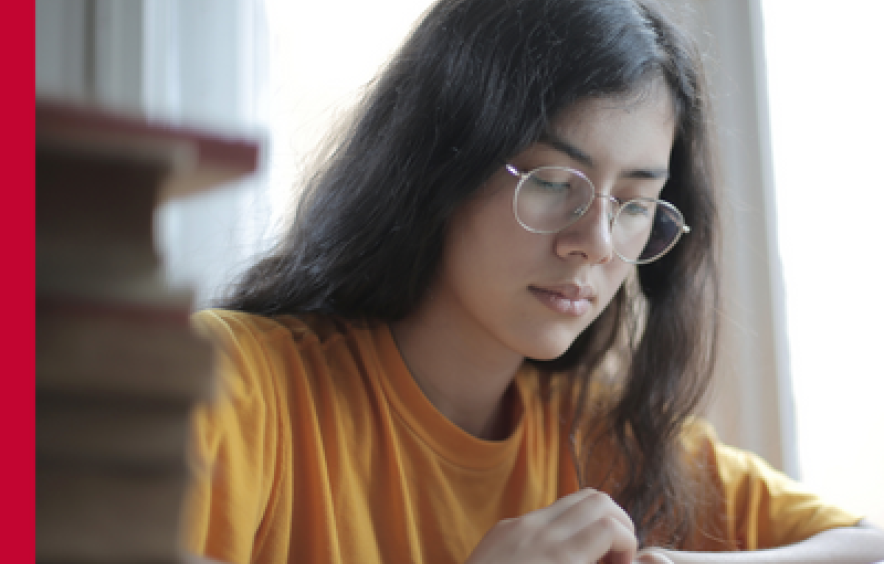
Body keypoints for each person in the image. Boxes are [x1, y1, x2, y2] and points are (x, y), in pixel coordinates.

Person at [182, 0, 884, 563]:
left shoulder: (609, 435)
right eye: (554, 182)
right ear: (440, 164)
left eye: (635, 204)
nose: (596, 243)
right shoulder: (230, 382)